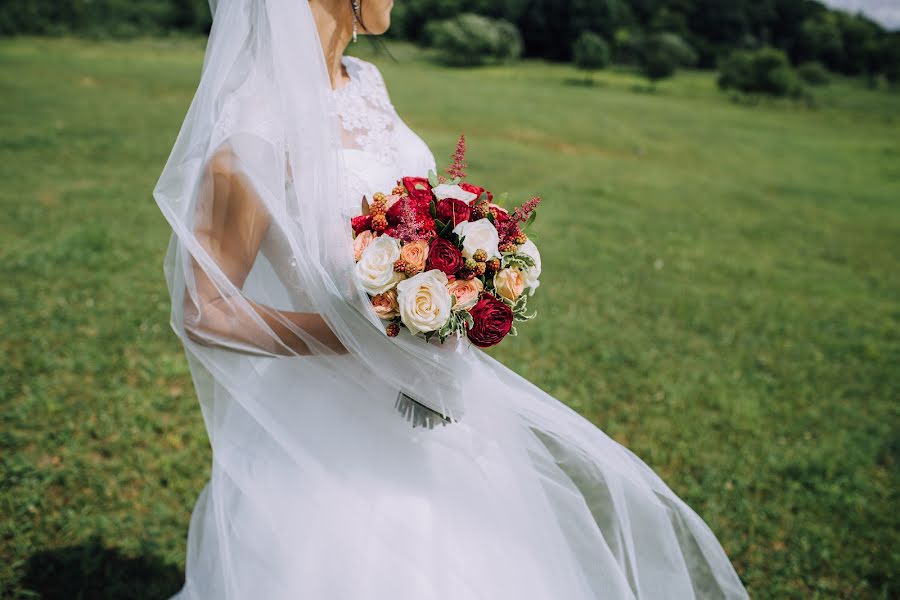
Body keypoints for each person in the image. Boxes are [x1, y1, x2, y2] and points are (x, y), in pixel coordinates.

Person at [153, 1, 751, 598]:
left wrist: (464, 267)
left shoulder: (365, 81)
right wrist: (356, 335)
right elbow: (204, 309)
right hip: (328, 421)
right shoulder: (257, 123)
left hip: (436, 394)